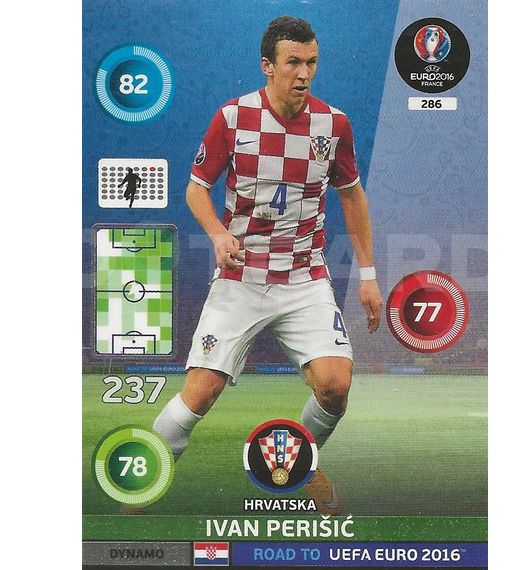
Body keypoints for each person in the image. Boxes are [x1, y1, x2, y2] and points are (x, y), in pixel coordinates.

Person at [152, 15, 383, 515]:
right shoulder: (234, 117)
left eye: (312, 62)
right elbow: (196, 189)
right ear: (268, 66)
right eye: (293, 62)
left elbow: (352, 195)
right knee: (200, 393)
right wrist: (218, 234)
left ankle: (305, 461)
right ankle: (143, 480)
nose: (304, 73)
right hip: (242, 276)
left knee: (335, 385)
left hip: (304, 277)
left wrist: (368, 275)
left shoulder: (333, 125)